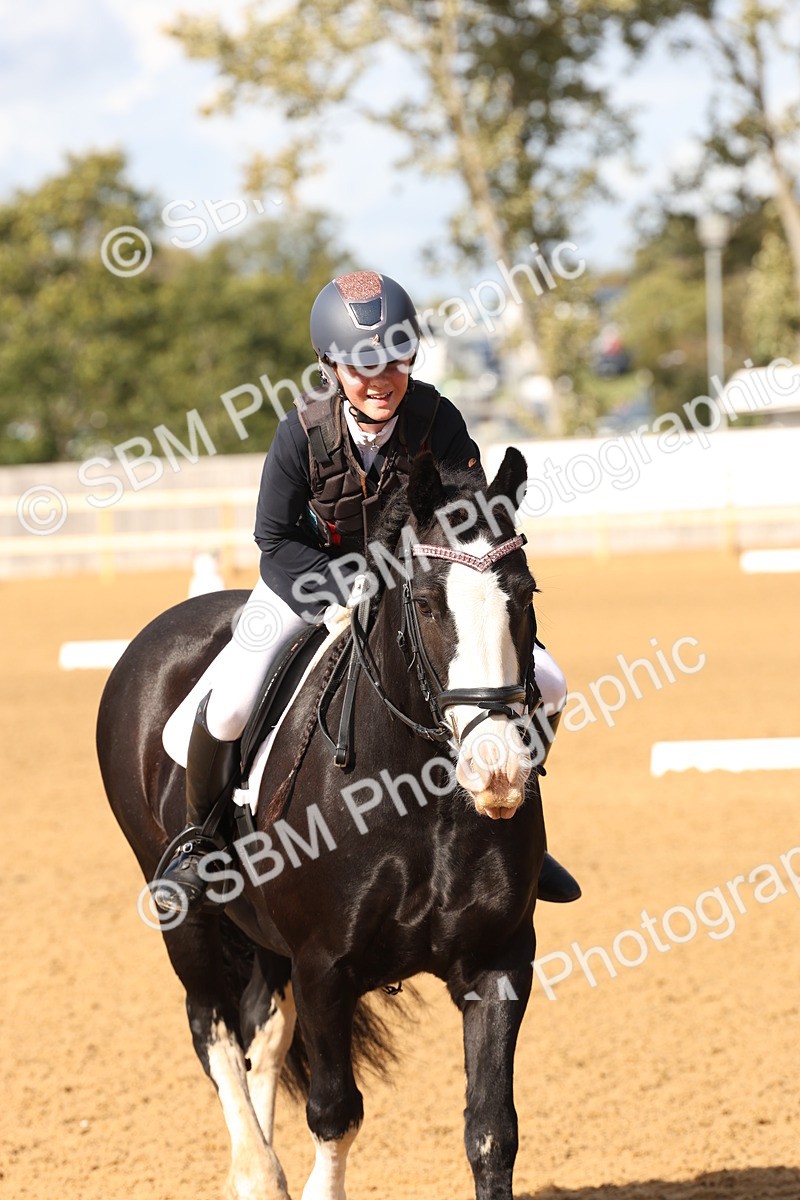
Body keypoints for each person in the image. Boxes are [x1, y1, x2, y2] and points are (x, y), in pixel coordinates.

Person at [153, 271, 579, 913]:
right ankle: (200, 842)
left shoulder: (438, 418)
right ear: (331, 366)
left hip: (418, 592)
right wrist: (348, 586)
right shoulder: (301, 432)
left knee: (548, 685)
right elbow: (274, 539)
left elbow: (470, 515)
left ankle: (512, 813)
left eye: (394, 359)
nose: (379, 378)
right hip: (306, 586)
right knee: (230, 707)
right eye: (360, 365)